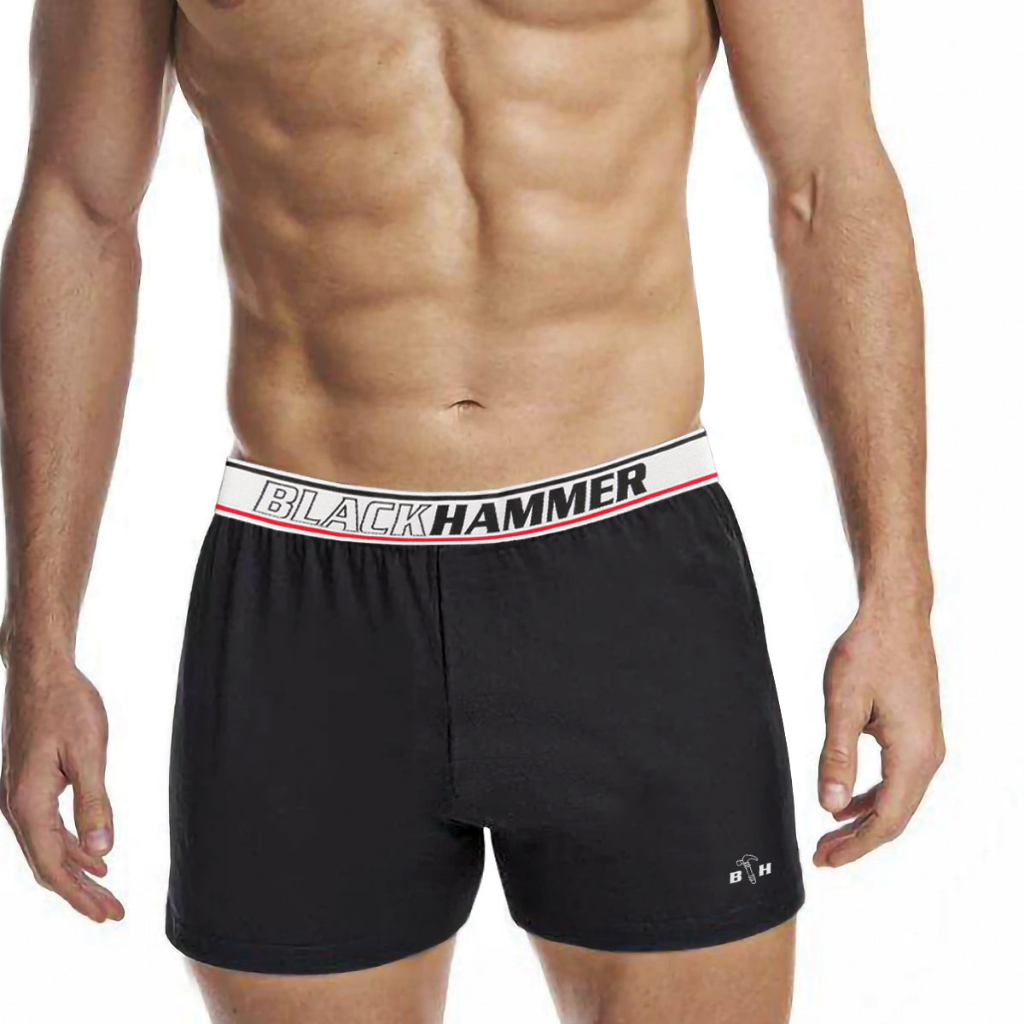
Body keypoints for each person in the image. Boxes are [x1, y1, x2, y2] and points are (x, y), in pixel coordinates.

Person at [0, 2, 944, 1022]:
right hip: (308, 594)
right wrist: (38, 646)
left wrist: (899, 594)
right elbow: (80, 212)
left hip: (628, 573)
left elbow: (825, 182)